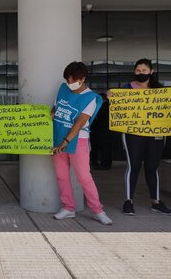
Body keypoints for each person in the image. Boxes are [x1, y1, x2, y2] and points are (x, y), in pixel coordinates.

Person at [117, 58, 171, 216]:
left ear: (151, 71)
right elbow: (118, 106)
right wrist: (111, 96)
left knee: (152, 166)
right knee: (133, 165)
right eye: (138, 71)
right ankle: (128, 201)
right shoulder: (127, 88)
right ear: (134, 72)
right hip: (133, 132)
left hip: (156, 132)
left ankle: (156, 201)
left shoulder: (161, 90)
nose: (141, 73)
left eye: (144, 70)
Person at [52, 62, 112, 225]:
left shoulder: (91, 98)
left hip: (77, 140)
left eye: (73, 80)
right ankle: (68, 207)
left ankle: (98, 210)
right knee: (61, 175)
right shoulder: (63, 89)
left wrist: (65, 141)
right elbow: (55, 108)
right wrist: (49, 114)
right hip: (57, 138)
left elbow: (80, 122)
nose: (69, 84)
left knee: (84, 176)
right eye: (68, 80)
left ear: (83, 78)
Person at [90, 93, 112, 170]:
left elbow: (98, 117)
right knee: (104, 147)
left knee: (104, 147)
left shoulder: (104, 106)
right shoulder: (108, 106)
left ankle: (104, 164)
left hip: (102, 129)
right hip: (103, 129)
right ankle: (103, 163)